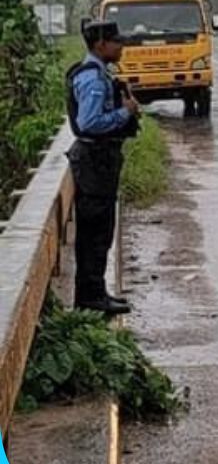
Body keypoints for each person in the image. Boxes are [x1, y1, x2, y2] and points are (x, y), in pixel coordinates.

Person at [65, 20, 140, 315]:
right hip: (94, 161)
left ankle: (95, 291)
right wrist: (125, 112)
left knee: (101, 229)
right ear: (100, 45)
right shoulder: (93, 79)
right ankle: (90, 297)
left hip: (99, 161)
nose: (121, 47)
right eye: (116, 42)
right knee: (94, 231)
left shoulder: (98, 73)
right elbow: (89, 122)